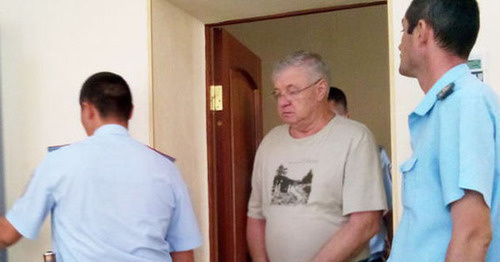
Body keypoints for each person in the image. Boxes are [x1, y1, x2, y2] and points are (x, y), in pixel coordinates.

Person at [0, 72, 202, 261]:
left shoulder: (58, 162)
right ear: (130, 112)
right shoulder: (167, 169)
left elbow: (7, 235)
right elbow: (183, 253)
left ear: (87, 110)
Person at [247, 51, 387, 262]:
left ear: (320, 89)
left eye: (292, 91)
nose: (283, 101)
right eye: (278, 93)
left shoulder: (355, 138)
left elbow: (365, 223)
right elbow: (256, 217)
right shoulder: (270, 142)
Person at [389, 0, 500, 261]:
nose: (399, 45)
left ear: (422, 31)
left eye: (403, 30)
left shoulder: (463, 102)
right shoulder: (447, 105)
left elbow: (473, 234)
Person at [328, 87, 393, 262]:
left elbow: (390, 212)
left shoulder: (375, 155)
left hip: (370, 257)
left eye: (334, 118)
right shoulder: (311, 161)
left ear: (347, 117)